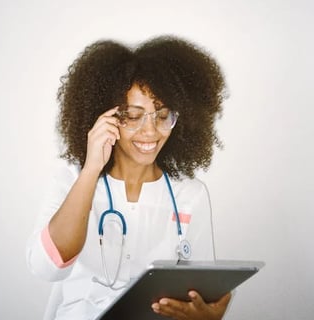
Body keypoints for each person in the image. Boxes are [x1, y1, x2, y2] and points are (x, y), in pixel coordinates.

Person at [26, 35, 231, 320]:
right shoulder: (72, 179)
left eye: (162, 115)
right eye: (133, 116)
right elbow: (46, 267)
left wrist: (207, 316)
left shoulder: (189, 194)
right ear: (105, 118)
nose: (151, 131)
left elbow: (201, 295)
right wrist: (91, 169)